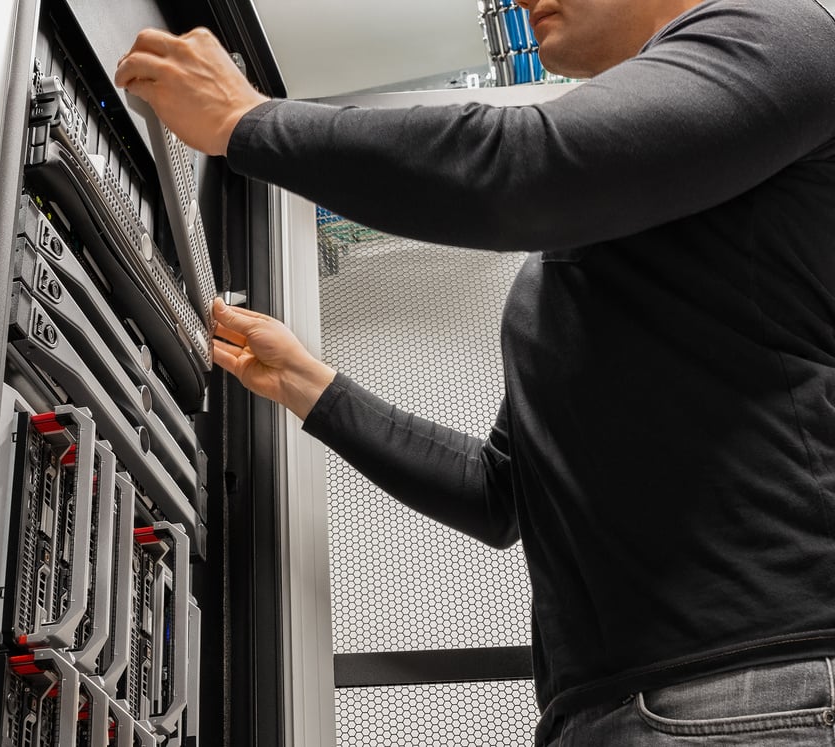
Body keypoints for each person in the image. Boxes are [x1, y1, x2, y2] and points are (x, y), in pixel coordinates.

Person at [116, 0, 835, 742]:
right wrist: (306, 383)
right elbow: (501, 493)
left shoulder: (777, 32)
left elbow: (523, 169)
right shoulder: (591, 251)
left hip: (754, 686)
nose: (519, 0)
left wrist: (250, 122)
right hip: (609, 706)